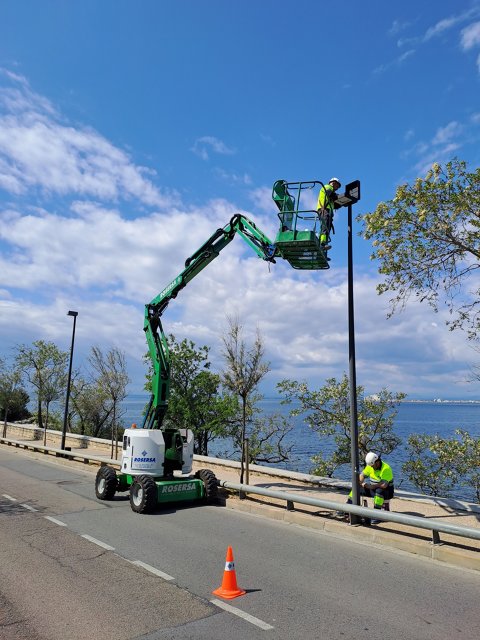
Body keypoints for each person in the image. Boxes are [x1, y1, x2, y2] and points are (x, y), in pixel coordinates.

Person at [340, 451, 395, 524]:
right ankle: (348, 507)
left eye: (373, 466)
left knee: (379, 491)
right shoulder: (370, 466)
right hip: (373, 489)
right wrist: (360, 482)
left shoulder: (386, 468)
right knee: (356, 489)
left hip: (387, 491)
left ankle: (376, 514)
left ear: (377, 462)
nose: (372, 467)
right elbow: (362, 474)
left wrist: (371, 486)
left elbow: (384, 485)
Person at [317, 177, 342, 249]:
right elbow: (331, 195)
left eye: (338, 186)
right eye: (336, 185)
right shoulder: (327, 187)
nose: (336, 187)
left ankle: (323, 246)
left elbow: (334, 203)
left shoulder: (331, 191)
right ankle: (322, 244)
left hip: (327, 210)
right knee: (325, 225)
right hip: (324, 209)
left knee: (327, 226)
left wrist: (340, 203)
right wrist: (339, 197)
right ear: (332, 183)